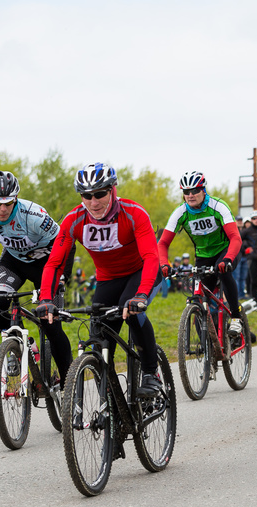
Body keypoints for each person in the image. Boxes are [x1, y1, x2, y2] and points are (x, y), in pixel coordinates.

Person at [37, 163, 163, 395]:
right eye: (86, 196)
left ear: (113, 189)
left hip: (142, 272)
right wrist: (46, 299)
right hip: (108, 279)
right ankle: (112, 400)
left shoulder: (134, 213)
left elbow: (150, 256)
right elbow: (54, 263)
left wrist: (142, 294)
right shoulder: (74, 220)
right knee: (98, 340)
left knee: (132, 312)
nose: (93, 202)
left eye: (100, 194)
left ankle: (150, 373)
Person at [0, 171, 73, 387]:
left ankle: (69, 381)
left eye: (9, 203)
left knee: (50, 322)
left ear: (16, 199)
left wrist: (62, 277)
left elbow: (67, 243)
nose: (3, 209)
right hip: (14, 262)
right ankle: (21, 343)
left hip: (48, 263)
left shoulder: (34, 215)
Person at [157, 171, 244, 333]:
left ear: (203, 190)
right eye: (186, 192)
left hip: (225, 250)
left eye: (195, 190)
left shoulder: (218, 206)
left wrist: (228, 259)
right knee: (198, 298)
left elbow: (235, 237)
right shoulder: (180, 213)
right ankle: (207, 347)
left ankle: (236, 318)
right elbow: (162, 243)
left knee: (224, 272)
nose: (190, 195)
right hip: (203, 256)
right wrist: (164, 264)